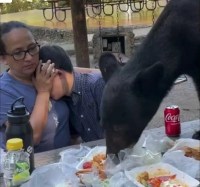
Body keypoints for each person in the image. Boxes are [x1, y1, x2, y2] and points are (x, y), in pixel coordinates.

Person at [0, 21, 71, 152]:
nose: (29, 57)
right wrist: (43, 92)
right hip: (32, 168)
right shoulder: (4, 91)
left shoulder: (43, 71)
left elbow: (71, 72)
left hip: (68, 162)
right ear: (3, 59)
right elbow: (30, 138)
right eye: (18, 53)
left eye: (32, 48)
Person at [39, 45, 106, 142]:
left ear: (59, 74)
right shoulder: (64, 101)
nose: (44, 88)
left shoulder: (97, 85)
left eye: (45, 82)